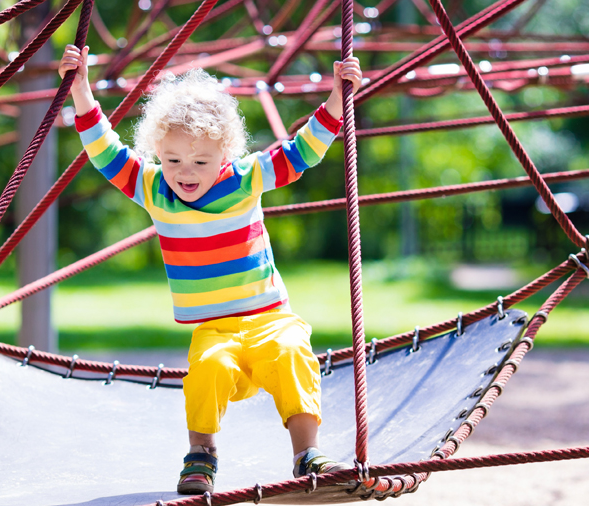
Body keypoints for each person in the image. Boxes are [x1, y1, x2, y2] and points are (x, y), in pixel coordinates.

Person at [59, 44, 363, 495]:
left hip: (269, 318)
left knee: (292, 353)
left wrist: (338, 96)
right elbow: (105, 152)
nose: (185, 172)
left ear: (224, 155)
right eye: (173, 160)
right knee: (207, 369)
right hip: (215, 329)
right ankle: (202, 453)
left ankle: (307, 454)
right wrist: (81, 89)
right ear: (158, 151)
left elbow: (304, 150)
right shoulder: (153, 188)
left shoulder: (246, 178)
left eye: (200, 161)